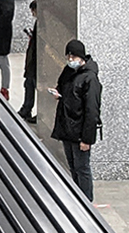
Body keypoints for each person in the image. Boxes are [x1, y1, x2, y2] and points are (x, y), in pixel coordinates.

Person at [48, 39, 103, 199]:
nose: (70, 60)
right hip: (67, 129)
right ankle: (78, 198)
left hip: (79, 132)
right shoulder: (70, 72)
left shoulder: (90, 79)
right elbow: (64, 87)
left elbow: (92, 110)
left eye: (73, 57)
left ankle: (86, 201)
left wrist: (87, 138)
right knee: (73, 167)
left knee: (82, 168)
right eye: (68, 57)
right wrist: (58, 94)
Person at [18, 0, 41, 123]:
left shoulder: (41, 24)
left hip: (35, 62)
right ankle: (26, 109)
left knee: (32, 85)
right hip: (33, 61)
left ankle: (29, 109)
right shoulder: (39, 23)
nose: (33, 14)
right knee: (29, 84)